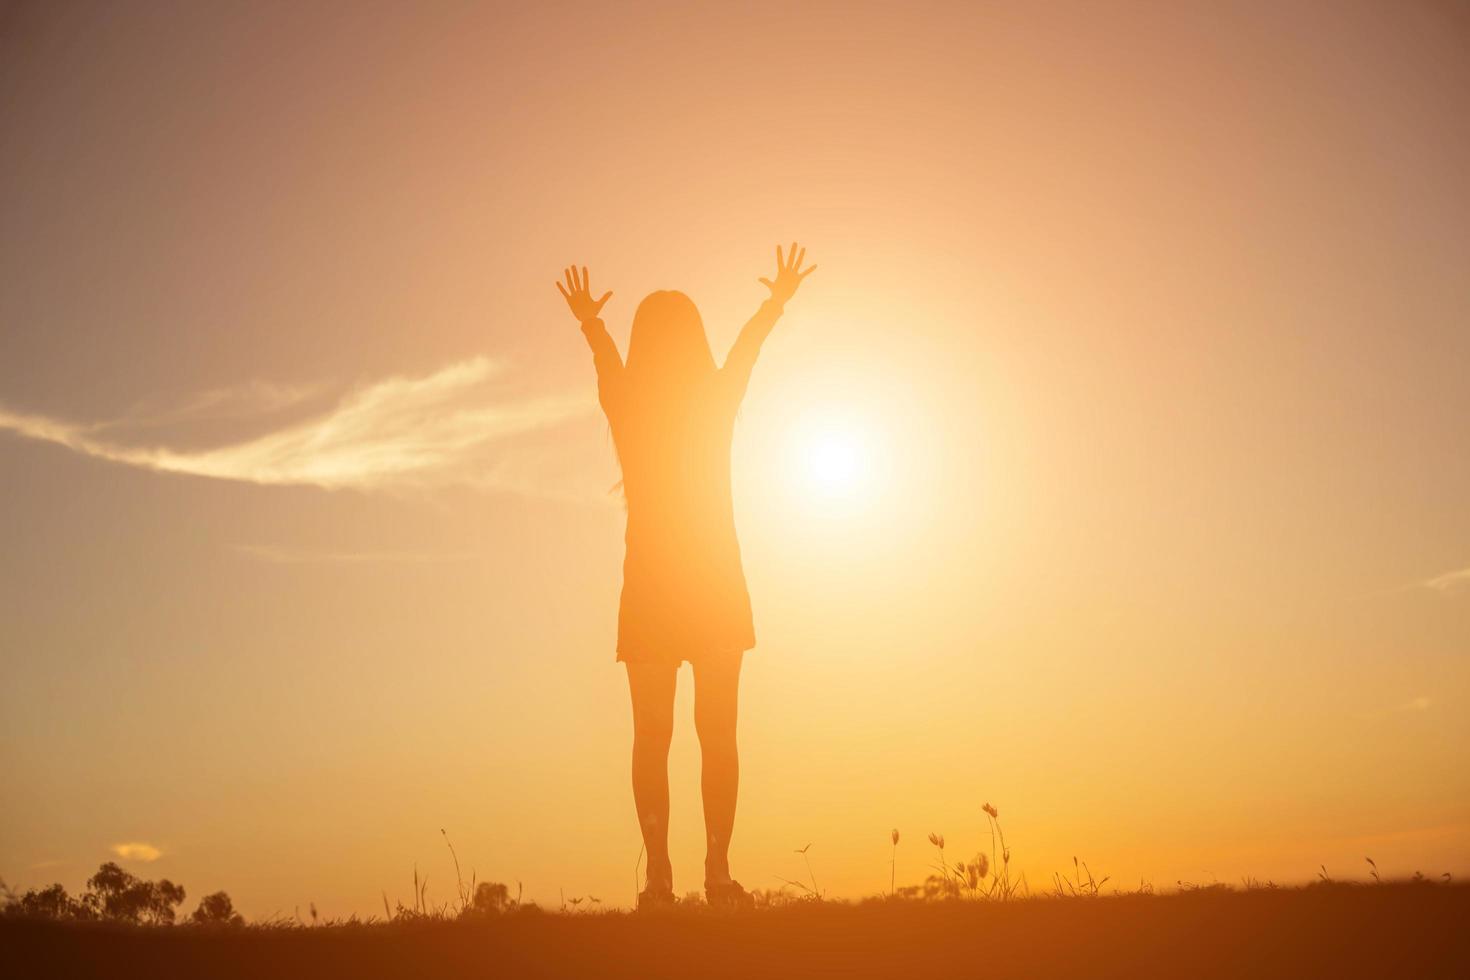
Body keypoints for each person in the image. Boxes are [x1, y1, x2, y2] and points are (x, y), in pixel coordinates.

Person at [556, 244, 816, 909]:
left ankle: (660, 881)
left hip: (652, 589)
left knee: (652, 739)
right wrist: (775, 300)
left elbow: (607, 363)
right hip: (713, 585)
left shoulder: (631, 407)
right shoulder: (713, 402)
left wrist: (592, 323)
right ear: (695, 342)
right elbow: (747, 353)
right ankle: (718, 875)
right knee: (717, 736)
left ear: (645, 346)